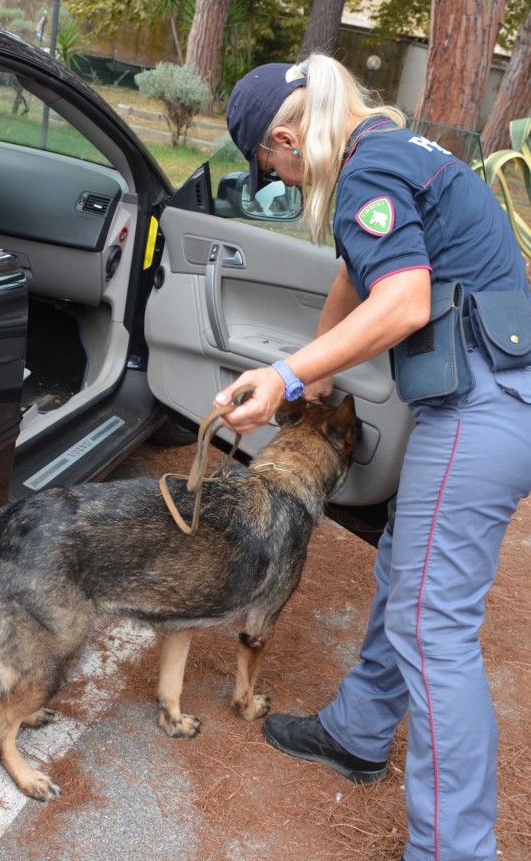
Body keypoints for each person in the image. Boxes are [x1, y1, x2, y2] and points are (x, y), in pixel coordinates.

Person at [215, 55, 531, 861]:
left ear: (286, 141)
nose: (281, 181)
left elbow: (404, 301)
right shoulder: (393, 147)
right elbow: (360, 275)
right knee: (406, 575)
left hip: (480, 407)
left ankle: (454, 851)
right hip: (495, 396)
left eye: (272, 171)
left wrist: (286, 374)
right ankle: (357, 732)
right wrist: (315, 366)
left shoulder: (365, 170)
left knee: (433, 627)